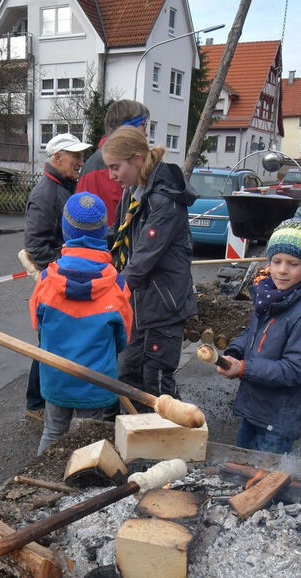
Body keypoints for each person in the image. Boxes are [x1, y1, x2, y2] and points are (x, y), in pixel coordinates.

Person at [216, 206, 301, 453]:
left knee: (268, 480)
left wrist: (244, 369)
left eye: (293, 264)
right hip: (254, 408)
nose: (282, 270)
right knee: (242, 469)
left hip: (279, 419)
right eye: (276, 261)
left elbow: (294, 370)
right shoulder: (271, 298)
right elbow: (252, 332)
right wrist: (235, 352)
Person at [30, 192, 133, 454]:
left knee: (52, 433)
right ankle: (84, 489)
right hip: (96, 381)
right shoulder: (117, 286)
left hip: (56, 378)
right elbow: (123, 338)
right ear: (102, 231)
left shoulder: (46, 280)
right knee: (89, 441)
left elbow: (37, 326)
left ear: (66, 230)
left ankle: (38, 483)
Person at [102, 126, 198, 398]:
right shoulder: (133, 192)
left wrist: (103, 293)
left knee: (156, 385)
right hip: (139, 303)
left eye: (115, 167)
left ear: (137, 159)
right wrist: (83, 245)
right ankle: (137, 435)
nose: (111, 175)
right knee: (128, 374)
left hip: (163, 306)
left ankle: (171, 435)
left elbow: (143, 259)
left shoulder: (163, 200)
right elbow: (119, 233)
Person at [23, 132, 92, 422]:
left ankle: (40, 401)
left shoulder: (65, 187)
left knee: (55, 340)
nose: (80, 160)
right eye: (74, 155)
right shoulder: (45, 193)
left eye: (80, 155)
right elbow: (37, 246)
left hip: (62, 275)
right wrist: (69, 266)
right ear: (56, 158)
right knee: (50, 341)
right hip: (56, 279)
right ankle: (36, 404)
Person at [78, 99, 150, 242]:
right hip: (113, 255)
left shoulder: (94, 162)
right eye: (143, 125)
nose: (146, 133)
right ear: (128, 129)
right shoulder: (123, 165)